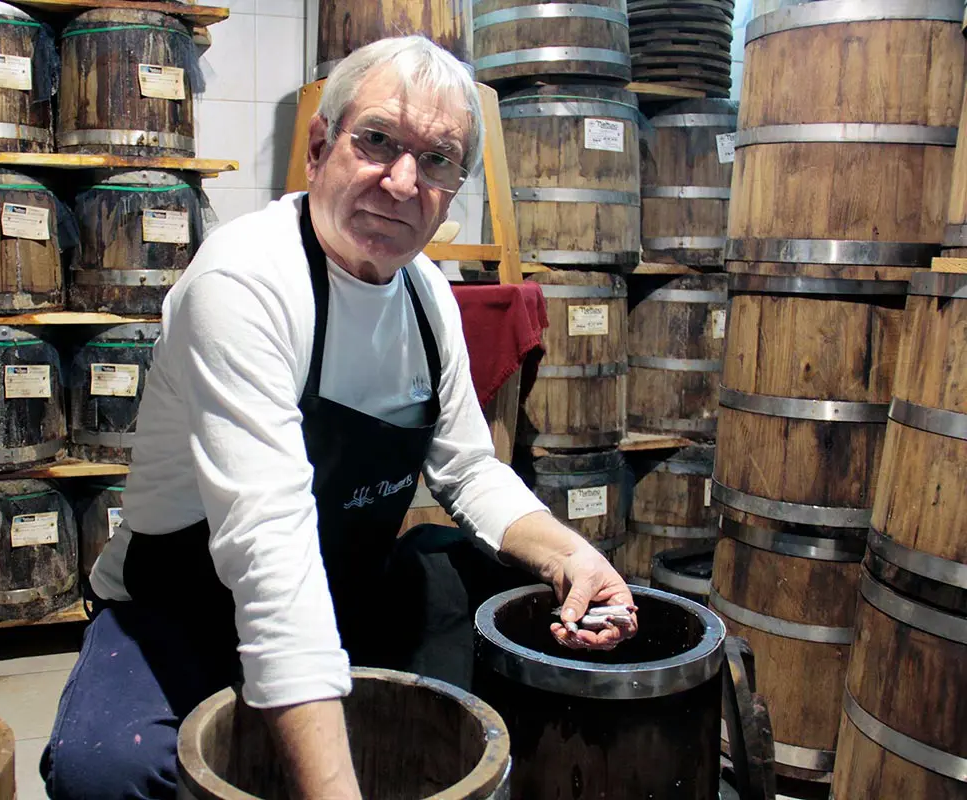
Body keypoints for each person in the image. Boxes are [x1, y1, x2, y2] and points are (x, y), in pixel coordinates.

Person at [41, 35, 637, 800]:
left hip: (344, 582)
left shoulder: (426, 296)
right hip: (184, 606)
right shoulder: (245, 280)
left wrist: (571, 557)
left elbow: (466, 469)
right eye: (377, 141)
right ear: (320, 145)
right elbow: (269, 544)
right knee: (106, 772)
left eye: (437, 160)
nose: (402, 182)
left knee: (494, 583)